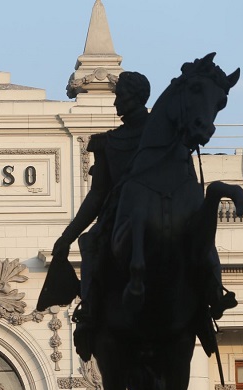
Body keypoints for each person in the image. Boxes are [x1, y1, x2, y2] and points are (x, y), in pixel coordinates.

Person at [50, 71, 152, 358]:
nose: (116, 102)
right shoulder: (108, 142)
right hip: (119, 215)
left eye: (120, 96)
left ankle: (210, 295)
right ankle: (90, 315)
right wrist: (68, 236)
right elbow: (97, 195)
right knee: (92, 244)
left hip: (158, 210)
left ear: (134, 99)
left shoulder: (159, 135)